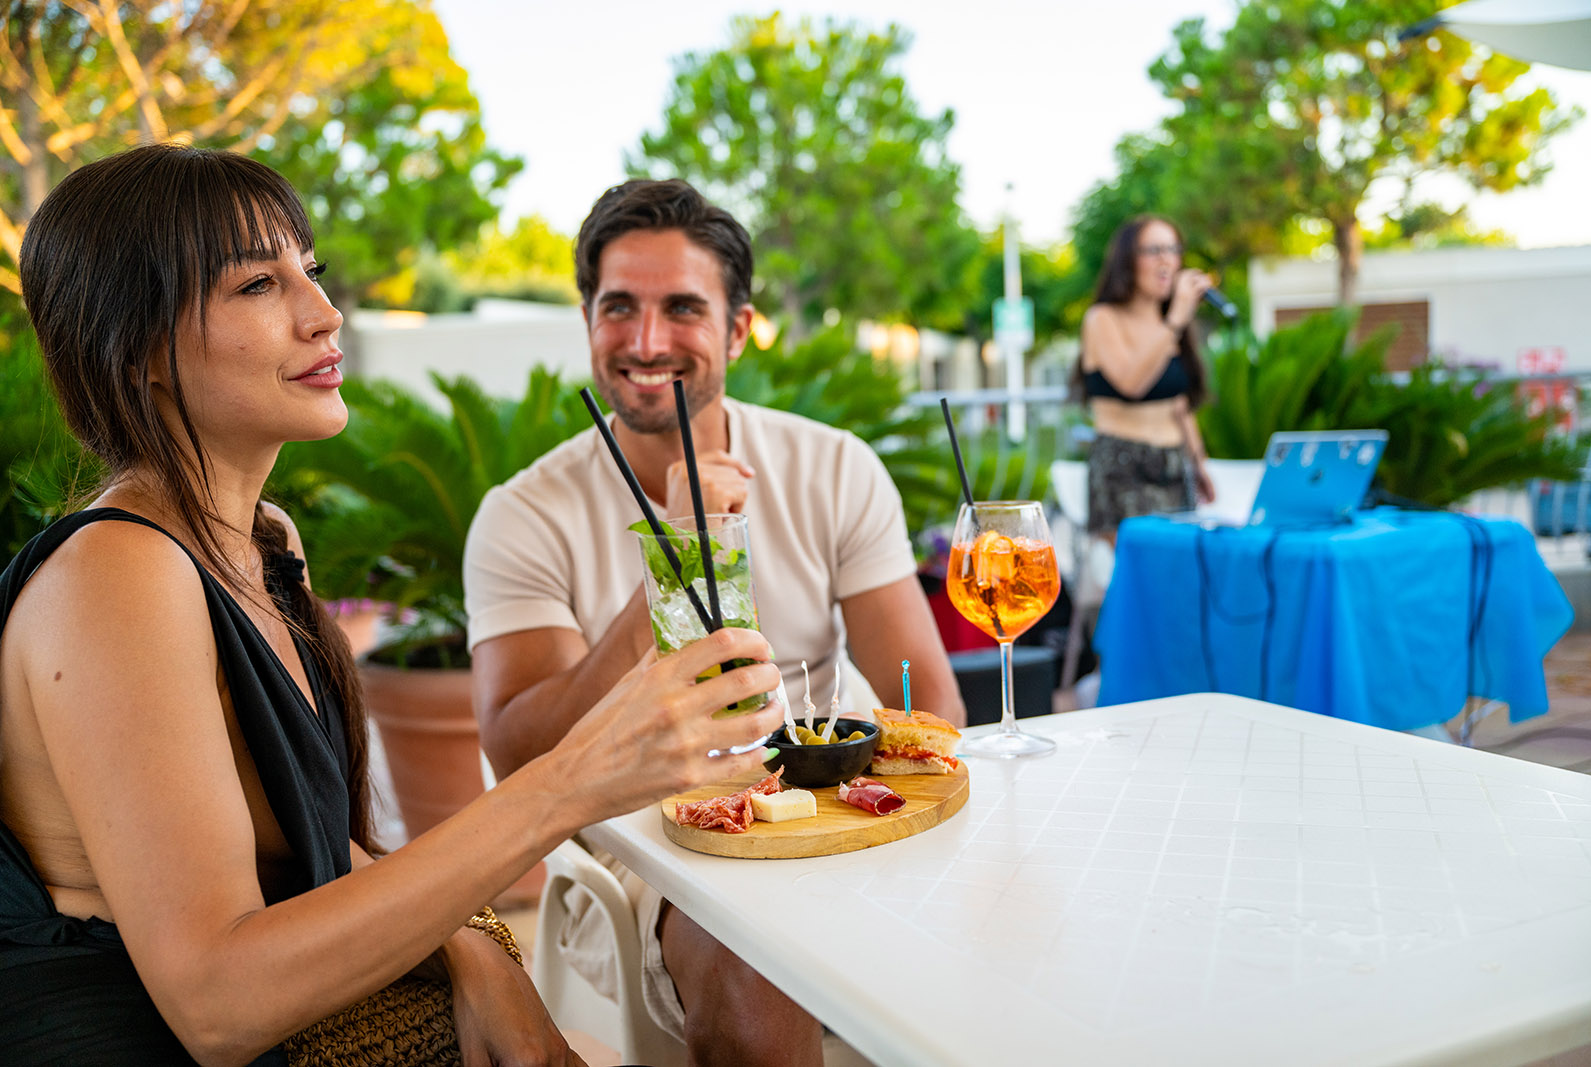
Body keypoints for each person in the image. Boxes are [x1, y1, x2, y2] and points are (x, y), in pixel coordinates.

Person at [0, 144, 782, 1066]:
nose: (325, 312)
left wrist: (476, 949)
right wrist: (576, 777)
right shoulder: (116, 572)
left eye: (311, 269)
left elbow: (321, 844)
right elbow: (216, 1004)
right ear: (137, 349)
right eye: (258, 284)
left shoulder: (262, 541)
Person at [465, 178, 964, 1066]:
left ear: (737, 329)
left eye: (683, 308)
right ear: (588, 321)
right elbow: (520, 754)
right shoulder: (523, 513)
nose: (646, 341)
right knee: (752, 961)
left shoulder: (833, 466)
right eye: (619, 307)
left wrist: (855, 801)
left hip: (832, 802)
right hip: (641, 842)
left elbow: (927, 700)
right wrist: (676, 551)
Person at [1076, 215, 1217, 541]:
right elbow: (1131, 383)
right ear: (1128, 260)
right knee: (1141, 566)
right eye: (1153, 250)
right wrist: (1176, 319)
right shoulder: (1103, 319)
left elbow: (1178, 404)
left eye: (1173, 249)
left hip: (1174, 465)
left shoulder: (1169, 325)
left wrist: (1199, 462)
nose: (1166, 259)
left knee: (1179, 565)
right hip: (1124, 467)